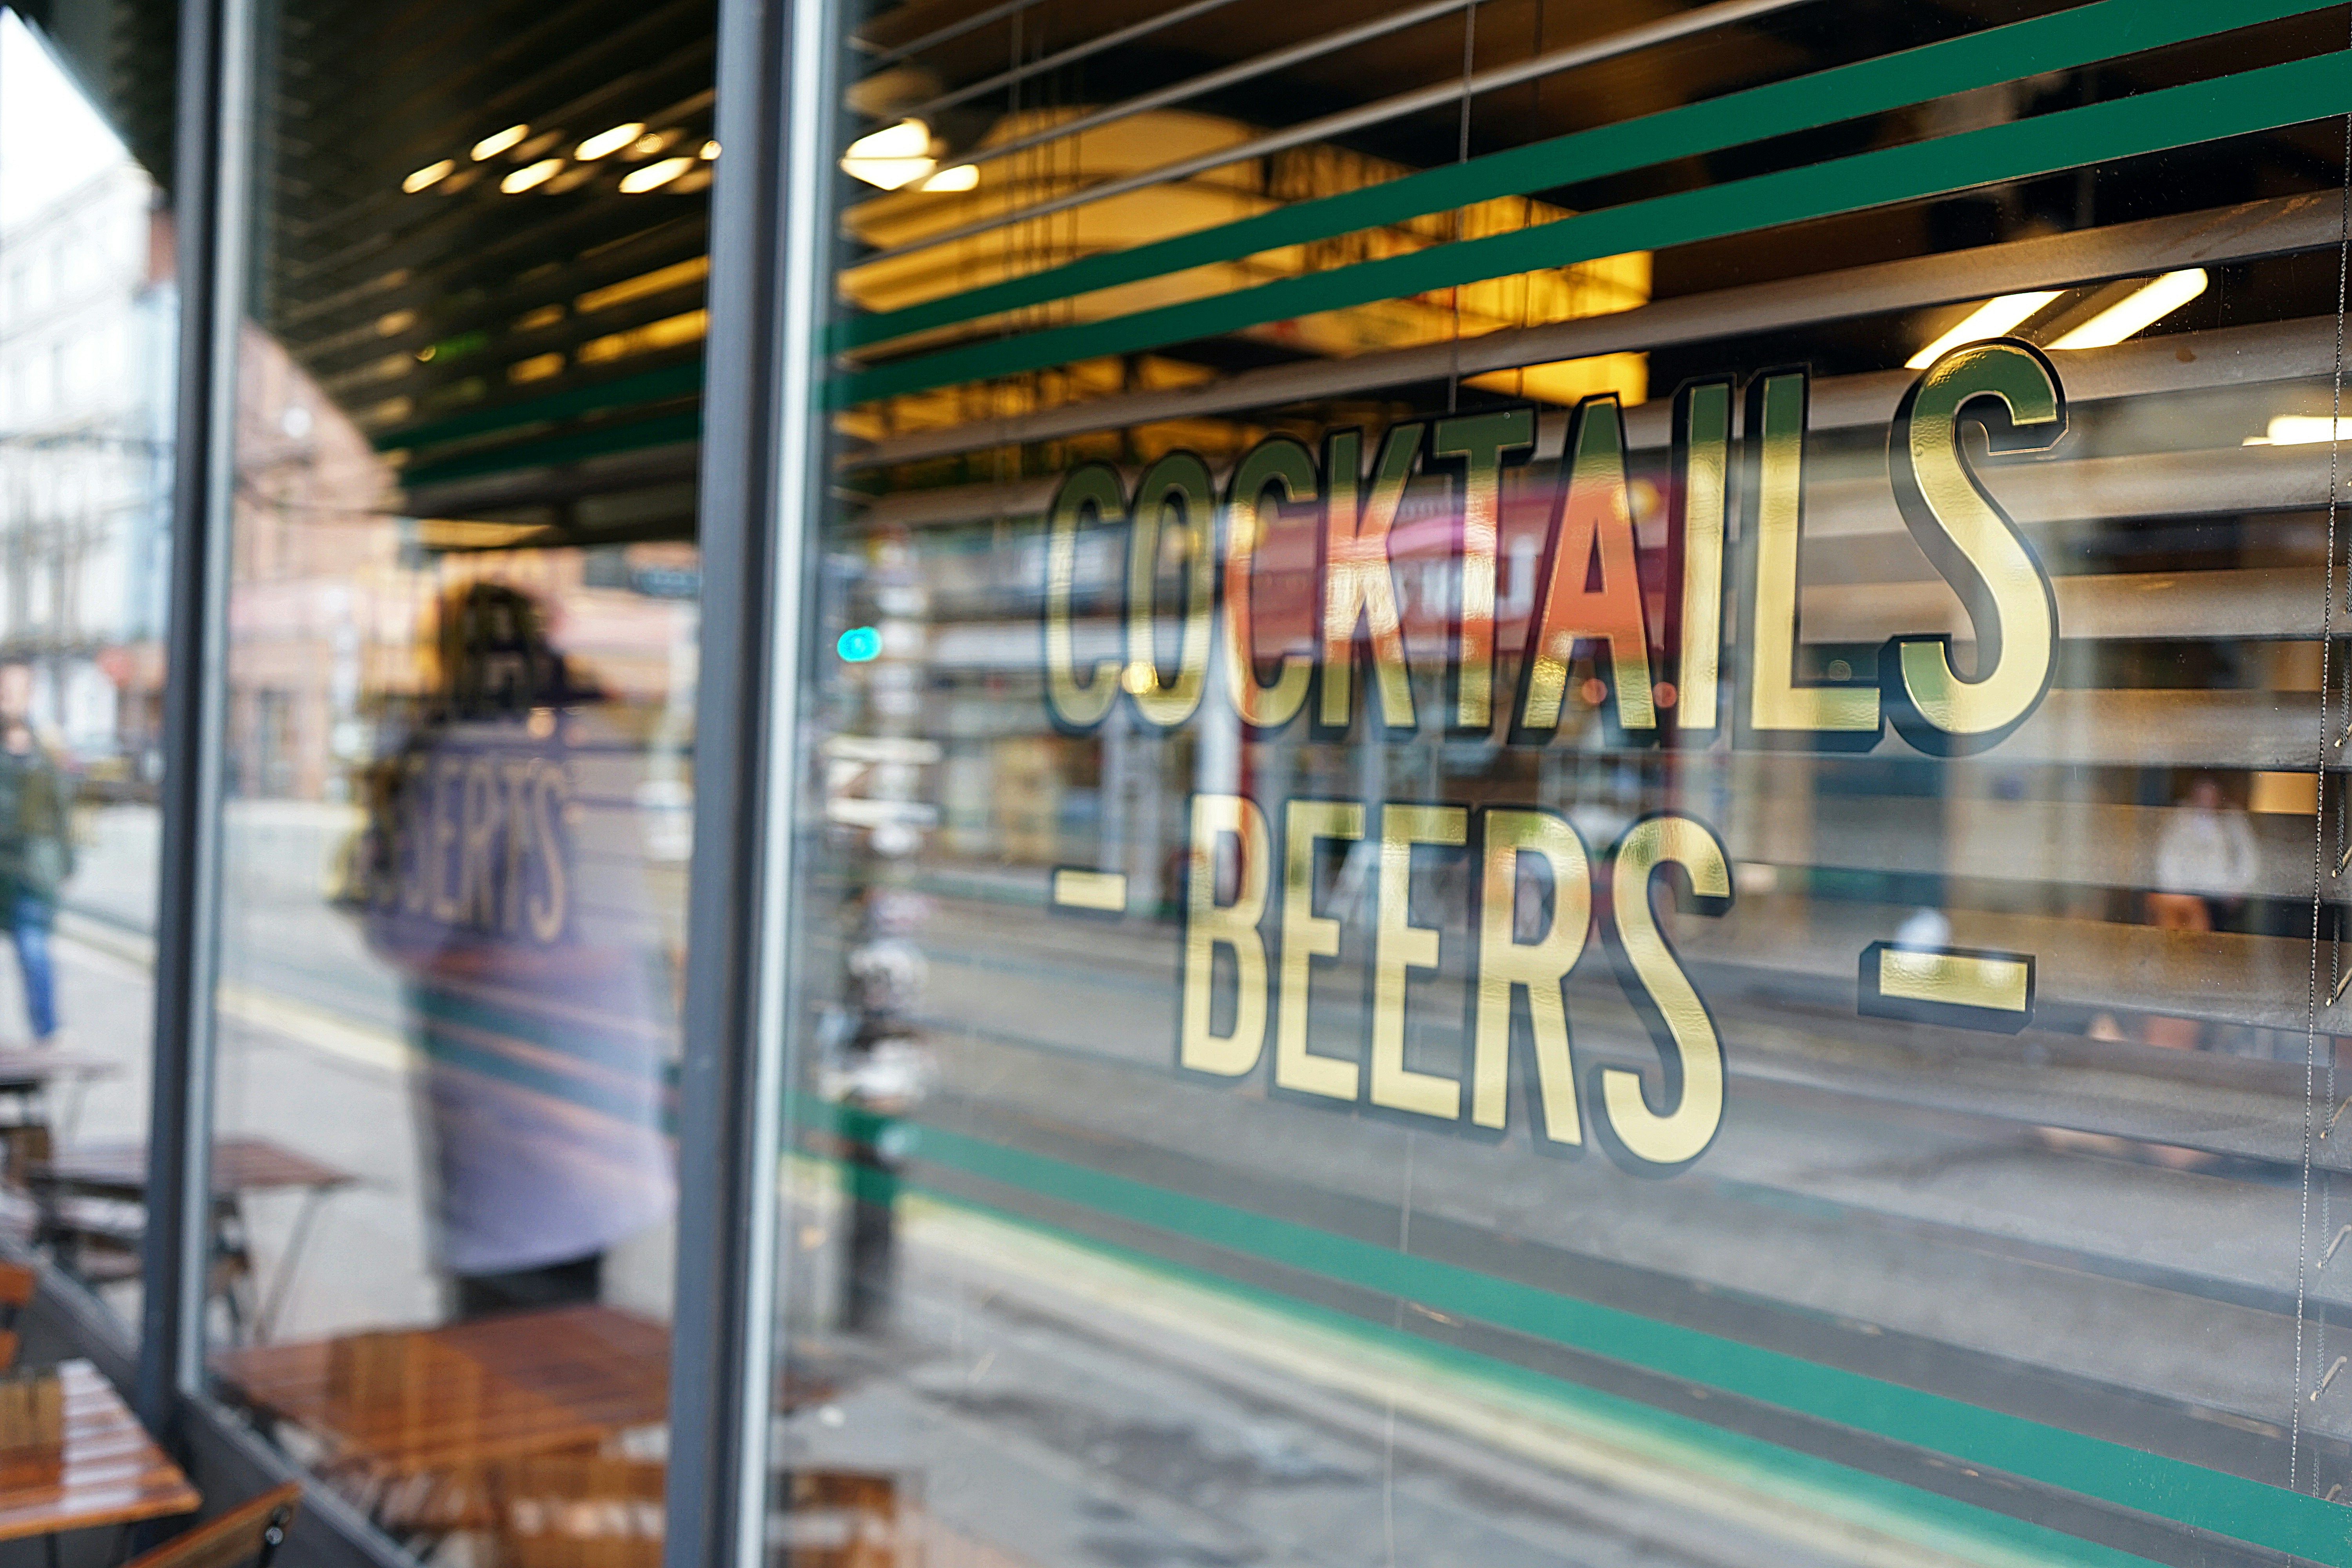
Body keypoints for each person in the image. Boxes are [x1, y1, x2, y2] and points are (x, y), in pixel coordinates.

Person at [349, 583, 675, 1319]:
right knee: (571, 1318)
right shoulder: (598, 741)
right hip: (609, 1083)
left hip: (510, 1105)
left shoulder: (469, 755)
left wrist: (386, 811)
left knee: (505, 1348)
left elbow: (403, 931)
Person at [0, 664, 71, 1047]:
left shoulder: (45, 747)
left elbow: (60, 807)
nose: (8, 699)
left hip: (31, 869)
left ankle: (47, 1029)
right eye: (3, 690)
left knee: (34, 948)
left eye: (16, 691)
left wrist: (66, 862)